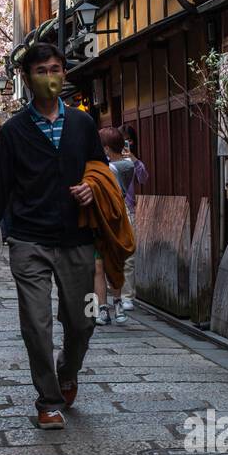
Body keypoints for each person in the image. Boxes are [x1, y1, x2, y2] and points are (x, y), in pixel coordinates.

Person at [0, 42, 108, 430]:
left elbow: (99, 169)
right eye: (41, 71)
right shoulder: (14, 131)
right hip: (29, 239)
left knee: (82, 320)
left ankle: (68, 370)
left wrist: (92, 187)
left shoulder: (82, 123)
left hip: (76, 237)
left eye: (56, 69)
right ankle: (48, 400)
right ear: (27, 79)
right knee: (36, 321)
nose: (50, 78)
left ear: (64, 73)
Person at [93, 127, 135, 326]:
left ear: (106, 149)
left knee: (104, 265)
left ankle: (107, 307)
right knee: (106, 264)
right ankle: (112, 305)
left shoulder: (117, 168)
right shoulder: (126, 165)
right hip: (112, 218)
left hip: (109, 218)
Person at [119, 126, 148, 310]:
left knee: (129, 254)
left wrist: (134, 159)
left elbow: (143, 178)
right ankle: (113, 292)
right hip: (111, 209)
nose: (123, 144)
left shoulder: (133, 162)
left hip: (128, 209)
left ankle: (127, 296)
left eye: (126, 140)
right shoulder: (107, 160)